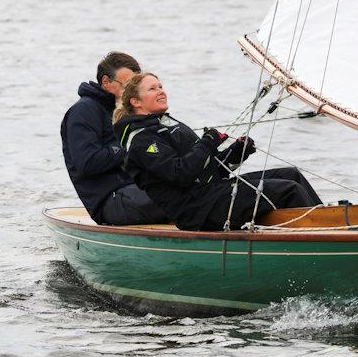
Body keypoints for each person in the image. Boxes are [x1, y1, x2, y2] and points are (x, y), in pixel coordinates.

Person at [113, 72, 322, 231]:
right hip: (197, 210)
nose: (161, 90)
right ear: (136, 101)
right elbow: (180, 174)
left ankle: (336, 223)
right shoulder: (141, 140)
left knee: (291, 174)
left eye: (160, 86)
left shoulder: (165, 125)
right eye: (152, 89)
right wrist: (208, 143)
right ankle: (323, 238)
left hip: (212, 193)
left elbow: (211, 169)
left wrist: (236, 153)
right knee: (289, 189)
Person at [61, 52, 166, 225]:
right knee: (174, 197)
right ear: (106, 82)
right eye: (126, 84)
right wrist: (130, 143)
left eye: (135, 84)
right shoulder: (83, 112)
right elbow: (87, 163)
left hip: (138, 189)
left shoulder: (128, 110)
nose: (131, 91)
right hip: (110, 200)